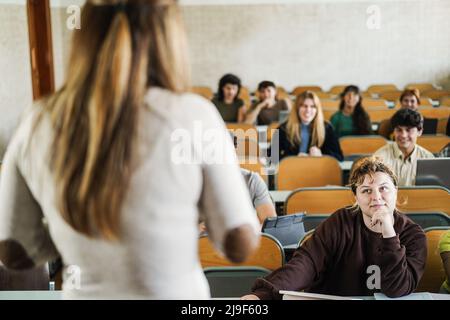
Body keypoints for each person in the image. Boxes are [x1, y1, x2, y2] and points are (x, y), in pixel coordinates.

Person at [0, 0, 260, 299]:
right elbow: (239, 244)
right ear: (169, 38)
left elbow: (12, 251)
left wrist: (74, 239)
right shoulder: (194, 115)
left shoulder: (38, 120)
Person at [241, 156, 427, 299]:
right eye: (366, 191)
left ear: (396, 191)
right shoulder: (340, 223)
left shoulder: (414, 236)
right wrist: (263, 295)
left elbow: (397, 289)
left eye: (384, 188)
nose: (376, 197)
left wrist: (389, 233)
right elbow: (306, 263)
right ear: (356, 197)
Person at [276, 91, 343, 161]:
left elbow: (339, 157)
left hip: (318, 170)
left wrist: (321, 155)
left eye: (313, 106)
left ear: (317, 110)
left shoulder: (328, 127)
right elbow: (270, 157)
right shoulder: (282, 127)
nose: (308, 110)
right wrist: (293, 158)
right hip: (291, 170)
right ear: (297, 108)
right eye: (304, 106)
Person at [374, 108, 434, 186]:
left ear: (419, 131)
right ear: (393, 131)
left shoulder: (428, 158)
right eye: (399, 130)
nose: (403, 135)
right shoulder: (380, 157)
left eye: (408, 130)